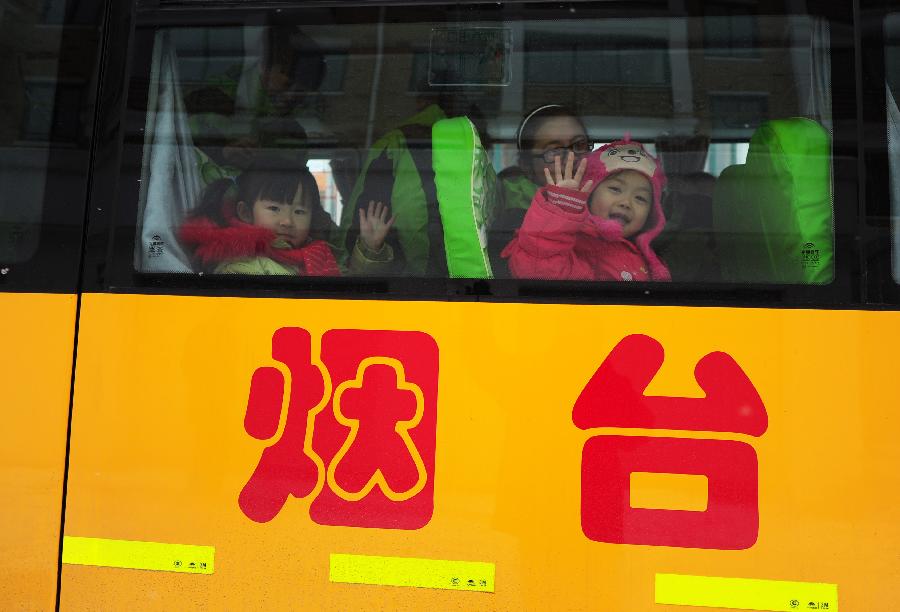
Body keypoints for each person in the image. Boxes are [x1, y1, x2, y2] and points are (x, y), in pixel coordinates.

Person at [501, 137, 670, 282]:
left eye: (640, 198)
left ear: (651, 214)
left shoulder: (643, 255)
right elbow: (537, 267)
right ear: (590, 194)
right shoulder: (576, 244)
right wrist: (561, 209)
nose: (626, 202)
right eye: (615, 189)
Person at [178, 160, 339, 276]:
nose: (288, 221)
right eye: (274, 208)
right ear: (246, 213)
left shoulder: (317, 253)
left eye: (299, 211)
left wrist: (364, 251)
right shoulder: (240, 266)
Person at [489, 105, 591, 276]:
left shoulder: (613, 199)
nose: (571, 158)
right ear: (528, 165)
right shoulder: (513, 219)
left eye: (579, 145)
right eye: (553, 151)